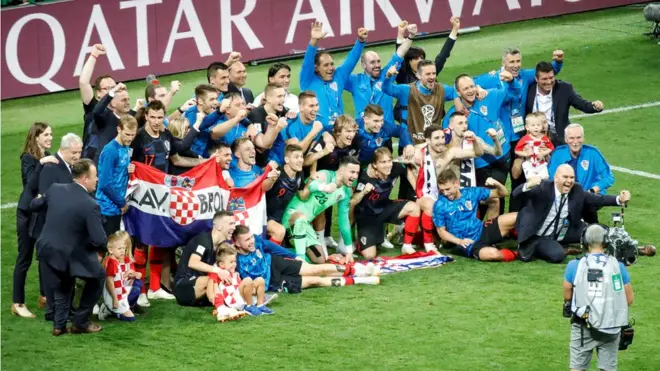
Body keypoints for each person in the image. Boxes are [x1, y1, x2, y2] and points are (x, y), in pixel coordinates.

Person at [32, 159, 107, 336]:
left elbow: (34, 205)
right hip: (69, 253)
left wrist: (39, 198)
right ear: (84, 178)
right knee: (98, 276)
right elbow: (100, 239)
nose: (97, 180)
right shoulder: (90, 205)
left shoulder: (55, 189)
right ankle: (80, 322)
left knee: (64, 282)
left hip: (46, 249)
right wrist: (99, 252)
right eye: (95, 176)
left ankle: (59, 326)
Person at [512, 164, 631, 263]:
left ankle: (621, 246)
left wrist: (619, 199)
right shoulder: (543, 187)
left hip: (562, 231)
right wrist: (528, 185)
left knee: (596, 231)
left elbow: (597, 199)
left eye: (572, 177)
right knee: (557, 256)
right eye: (565, 177)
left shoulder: (576, 189)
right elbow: (515, 195)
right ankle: (538, 248)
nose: (569, 181)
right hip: (538, 235)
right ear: (556, 178)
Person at [563, 224, 633, 371]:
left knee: (577, 368)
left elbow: (567, 295)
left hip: (583, 326)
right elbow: (628, 300)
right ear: (605, 242)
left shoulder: (574, 265)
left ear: (584, 242)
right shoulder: (618, 266)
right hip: (611, 327)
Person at [233, 225, 380, 294]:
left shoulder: (257, 241)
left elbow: (273, 248)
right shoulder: (236, 261)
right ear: (237, 243)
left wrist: (295, 257)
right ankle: (359, 280)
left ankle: (358, 270)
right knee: (314, 280)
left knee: (314, 268)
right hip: (272, 282)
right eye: (247, 240)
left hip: (275, 263)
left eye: (251, 237)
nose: (251, 241)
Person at [13, 123, 58, 318]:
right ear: (36, 137)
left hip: (41, 213)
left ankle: (44, 295)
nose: (50, 137)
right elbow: (30, 185)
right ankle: (17, 302)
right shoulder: (28, 158)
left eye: (51, 134)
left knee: (44, 255)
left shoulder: (47, 153)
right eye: (46, 134)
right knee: (25, 258)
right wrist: (42, 163)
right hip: (27, 214)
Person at [281, 156, 360, 263]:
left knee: (320, 259)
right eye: (352, 172)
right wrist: (324, 187)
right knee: (301, 219)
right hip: (292, 215)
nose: (355, 176)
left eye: (357, 173)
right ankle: (300, 260)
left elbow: (344, 220)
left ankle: (283, 253)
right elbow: (312, 185)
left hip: (306, 224)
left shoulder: (345, 192)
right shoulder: (326, 175)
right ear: (341, 171)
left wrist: (349, 251)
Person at [431, 169, 519, 262]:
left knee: (517, 216)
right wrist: (459, 241)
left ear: (456, 183)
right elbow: (441, 231)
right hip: (469, 243)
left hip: (482, 229)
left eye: (448, 189)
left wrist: (496, 183)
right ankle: (518, 254)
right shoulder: (440, 205)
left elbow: (503, 193)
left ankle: (532, 241)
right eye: (442, 190)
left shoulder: (470, 192)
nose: (445, 193)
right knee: (493, 254)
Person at [352, 148, 420, 258]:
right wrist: (364, 191)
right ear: (374, 164)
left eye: (389, 161)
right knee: (370, 255)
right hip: (368, 217)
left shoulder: (395, 167)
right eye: (383, 162)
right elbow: (353, 200)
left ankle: (407, 245)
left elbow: (407, 170)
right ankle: (362, 242)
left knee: (414, 207)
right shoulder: (366, 177)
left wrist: (418, 192)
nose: (388, 165)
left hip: (385, 208)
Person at [345, 21, 416, 121]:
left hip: (385, 134)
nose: (377, 65)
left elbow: (400, 53)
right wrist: (360, 42)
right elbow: (342, 70)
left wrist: (411, 36)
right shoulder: (354, 81)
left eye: (378, 61)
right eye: (372, 62)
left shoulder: (387, 74)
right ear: (363, 64)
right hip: (363, 133)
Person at [300, 21, 367, 126]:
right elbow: (307, 62)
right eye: (326, 65)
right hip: (318, 133)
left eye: (332, 64)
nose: (331, 68)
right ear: (316, 68)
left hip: (339, 130)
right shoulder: (308, 81)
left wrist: (360, 41)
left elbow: (351, 60)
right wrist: (314, 41)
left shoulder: (338, 77)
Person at [525, 62, 604, 145]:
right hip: (535, 138)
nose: (549, 82)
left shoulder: (564, 89)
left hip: (559, 138)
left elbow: (581, 103)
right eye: (544, 79)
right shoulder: (529, 90)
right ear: (536, 79)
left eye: (551, 78)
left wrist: (594, 106)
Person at [548, 124, 613, 223]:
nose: (575, 142)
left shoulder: (593, 153)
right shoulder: (558, 154)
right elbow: (552, 178)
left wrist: (592, 190)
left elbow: (609, 177)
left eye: (578, 138)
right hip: (566, 195)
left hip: (590, 196)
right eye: (571, 138)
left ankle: (593, 229)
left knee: (588, 204)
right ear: (565, 139)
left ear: (583, 138)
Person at [174, 211, 236, 307]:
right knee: (214, 280)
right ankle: (222, 307)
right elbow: (193, 263)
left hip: (201, 287)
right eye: (231, 224)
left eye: (234, 224)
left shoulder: (220, 245)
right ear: (218, 226)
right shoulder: (203, 240)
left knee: (230, 279)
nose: (234, 227)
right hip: (184, 287)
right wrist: (218, 271)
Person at [96, 115, 137, 237]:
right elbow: (104, 184)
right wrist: (122, 203)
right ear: (119, 129)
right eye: (127, 134)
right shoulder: (110, 151)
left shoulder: (125, 146)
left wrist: (130, 169)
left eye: (132, 135)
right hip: (107, 208)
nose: (130, 138)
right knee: (107, 247)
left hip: (117, 207)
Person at [208, 244, 272, 320]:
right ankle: (249, 306)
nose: (234, 264)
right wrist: (212, 296)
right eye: (231, 262)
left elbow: (239, 285)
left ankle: (260, 304)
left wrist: (251, 288)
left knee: (260, 280)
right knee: (247, 280)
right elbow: (211, 286)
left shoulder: (235, 274)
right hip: (233, 299)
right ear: (221, 264)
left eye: (235, 261)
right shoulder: (218, 273)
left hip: (240, 295)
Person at [266, 144, 308, 245]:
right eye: (296, 157)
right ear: (287, 159)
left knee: (302, 218)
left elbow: (302, 196)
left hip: (281, 218)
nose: (301, 160)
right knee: (279, 233)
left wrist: (311, 181)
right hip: (266, 217)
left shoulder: (299, 175)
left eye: (302, 157)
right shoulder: (276, 173)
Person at [98, 231, 143, 322]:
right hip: (115, 293)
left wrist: (133, 274)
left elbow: (137, 275)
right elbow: (109, 282)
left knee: (138, 283)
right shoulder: (111, 262)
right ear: (111, 250)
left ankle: (127, 306)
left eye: (124, 248)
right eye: (120, 248)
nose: (123, 251)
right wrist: (115, 299)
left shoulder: (126, 259)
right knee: (131, 319)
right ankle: (110, 309)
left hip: (122, 291)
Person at [86, 82, 134, 163]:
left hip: (123, 166)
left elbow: (131, 145)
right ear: (114, 103)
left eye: (128, 99)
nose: (128, 102)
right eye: (124, 100)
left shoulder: (131, 119)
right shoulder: (105, 118)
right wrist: (113, 91)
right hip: (106, 165)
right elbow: (96, 112)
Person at [247, 83, 292, 166]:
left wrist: (293, 114)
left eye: (283, 96)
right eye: (279, 96)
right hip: (260, 163)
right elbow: (261, 147)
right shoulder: (256, 115)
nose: (283, 100)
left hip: (277, 158)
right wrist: (277, 127)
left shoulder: (282, 111)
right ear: (268, 99)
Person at [514, 112, 554, 179]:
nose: (536, 127)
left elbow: (551, 147)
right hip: (530, 164)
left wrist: (544, 153)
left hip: (541, 164)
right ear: (527, 127)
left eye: (538, 125)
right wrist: (526, 154)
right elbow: (517, 150)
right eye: (533, 125)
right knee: (532, 181)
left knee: (545, 179)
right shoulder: (524, 139)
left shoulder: (545, 138)